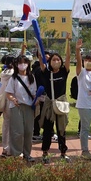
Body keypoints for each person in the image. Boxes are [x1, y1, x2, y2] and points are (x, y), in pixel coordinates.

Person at [38, 35, 72, 163]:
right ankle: (45, 153)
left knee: (61, 129)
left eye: (58, 59)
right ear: (50, 62)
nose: (56, 61)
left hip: (61, 103)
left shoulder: (64, 71)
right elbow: (41, 59)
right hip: (49, 104)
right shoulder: (47, 73)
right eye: (54, 60)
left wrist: (68, 42)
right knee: (48, 129)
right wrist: (39, 50)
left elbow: (68, 57)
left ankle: (63, 152)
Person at [5, 55, 38, 161]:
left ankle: (27, 153)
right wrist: (13, 99)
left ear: (28, 64)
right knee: (17, 131)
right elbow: (8, 93)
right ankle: (16, 153)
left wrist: (36, 99)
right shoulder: (14, 78)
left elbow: (34, 93)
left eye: (24, 62)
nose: (22, 65)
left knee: (28, 131)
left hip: (29, 107)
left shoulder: (31, 77)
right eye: (20, 63)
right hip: (17, 107)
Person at [0, 55, 15, 157]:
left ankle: (5, 148)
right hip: (12, 101)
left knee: (6, 125)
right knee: (12, 126)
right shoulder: (14, 74)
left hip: (4, 100)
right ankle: (10, 148)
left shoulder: (3, 72)